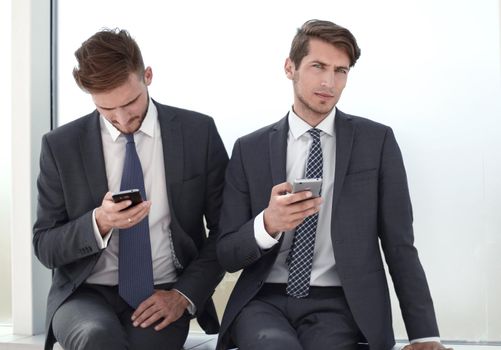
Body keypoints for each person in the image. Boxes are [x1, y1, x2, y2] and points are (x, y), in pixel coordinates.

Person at [216, 19, 451, 350]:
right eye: (318, 66)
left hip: (340, 304)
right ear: (290, 67)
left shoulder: (377, 142)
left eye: (341, 71)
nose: (329, 82)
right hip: (264, 300)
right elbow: (226, 254)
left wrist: (424, 335)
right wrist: (268, 225)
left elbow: (400, 246)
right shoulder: (248, 149)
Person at [33, 28, 228, 350]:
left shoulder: (198, 133)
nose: (123, 119)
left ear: (147, 76)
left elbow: (225, 230)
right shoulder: (61, 146)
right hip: (85, 293)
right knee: (95, 336)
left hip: (164, 290)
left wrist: (183, 295)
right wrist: (100, 222)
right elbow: (45, 246)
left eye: (130, 102)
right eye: (107, 110)